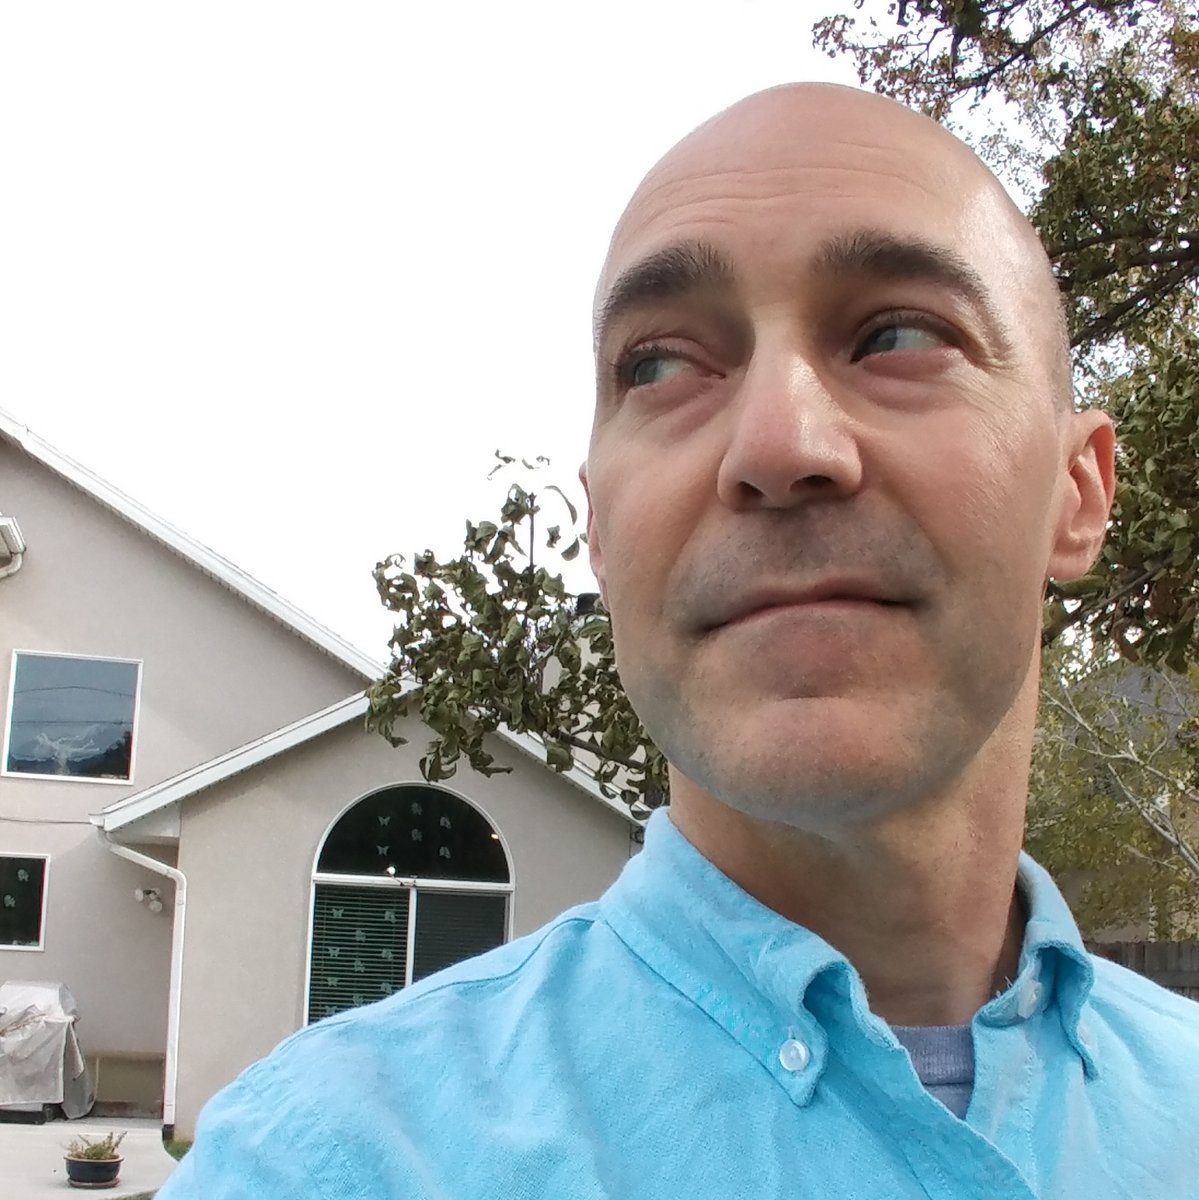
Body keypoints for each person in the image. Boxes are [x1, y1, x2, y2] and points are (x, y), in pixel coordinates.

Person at [158, 83, 1199, 1199]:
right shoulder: (321, 1166)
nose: (775, 442)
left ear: (1079, 492)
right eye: (659, 364)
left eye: (894, 334)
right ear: (599, 529)